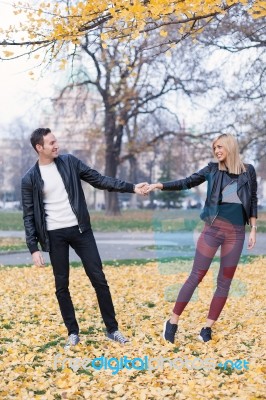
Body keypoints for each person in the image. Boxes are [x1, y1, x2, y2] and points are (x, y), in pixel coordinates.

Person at [21, 128, 148, 348]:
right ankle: (72, 332)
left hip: (81, 230)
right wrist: (33, 248)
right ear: (39, 148)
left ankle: (113, 329)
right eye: (51, 143)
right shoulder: (30, 178)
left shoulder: (69, 162)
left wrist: (132, 188)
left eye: (56, 140)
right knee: (62, 285)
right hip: (54, 235)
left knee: (98, 277)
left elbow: (99, 179)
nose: (56, 145)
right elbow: (29, 215)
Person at [146, 133, 258, 343]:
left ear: (230, 147)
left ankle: (207, 327)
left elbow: (252, 199)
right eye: (214, 148)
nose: (216, 151)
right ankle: (172, 322)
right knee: (196, 275)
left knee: (224, 282)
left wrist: (253, 228)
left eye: (220, 147)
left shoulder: (248, 171)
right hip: (212, 230)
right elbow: (187, 182)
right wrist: (159, 185)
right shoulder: (212, 169)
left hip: (236, 234)